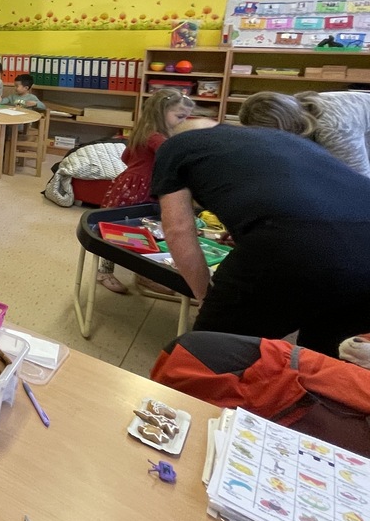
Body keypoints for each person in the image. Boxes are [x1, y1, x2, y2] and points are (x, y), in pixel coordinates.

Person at [151, 124, 370, 358]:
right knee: (323, 362)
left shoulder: (174, 147)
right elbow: (294, 192)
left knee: (209, 356)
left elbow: (178, 230)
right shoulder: (278, 138)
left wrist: (205, 295)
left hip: (293, 243)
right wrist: (248, 227)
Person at [95, 88, 195, 294]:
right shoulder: (156, 137)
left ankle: (142, 274)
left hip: (130, 185)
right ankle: (106, 273)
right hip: (140, 190)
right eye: (179, 117)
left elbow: (125, 156)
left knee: (137, 230)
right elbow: (174, 157)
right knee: (123, 231)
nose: (183, 122)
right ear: (161, 112)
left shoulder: (143, 132)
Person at [240, 90, 370, 178]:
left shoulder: (333, 130)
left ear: (285, 127)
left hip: (348, 125)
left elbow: (360, 182)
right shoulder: (294, 108)